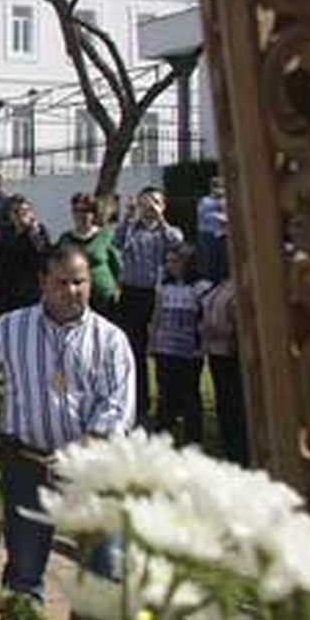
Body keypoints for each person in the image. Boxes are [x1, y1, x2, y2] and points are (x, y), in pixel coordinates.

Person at [0, 243, 135, 601]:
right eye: (62, 282)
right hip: (28, 465)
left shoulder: (110, 340)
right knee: (24, 572)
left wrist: (82, 449)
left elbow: (118, 406)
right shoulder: (11, 327)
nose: (72, 291)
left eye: (80, 282)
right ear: (43, 282)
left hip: (92, 471)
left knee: (105, 573)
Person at [116, 187, 185, 424]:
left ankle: (169, 407)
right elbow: (117, 242)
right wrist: (128, 216)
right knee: (135, 350)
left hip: (158, 295)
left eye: (155, 202)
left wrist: (161, 219)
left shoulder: (169, 231)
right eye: (146, 202)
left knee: (163, 352)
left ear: (163, 206)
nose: (150, 207)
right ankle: (140, 403)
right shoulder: (131, 230)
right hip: (132, 293)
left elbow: (177, 244)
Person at [151, 244, 208, 446]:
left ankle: (193, 439)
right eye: (168, 262)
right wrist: (153, 341)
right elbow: (157, 314)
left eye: (175, 261)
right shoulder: (165, 287)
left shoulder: (200, 288)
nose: (170, 266)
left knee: (190, 395)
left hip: (189, 351)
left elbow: (204, 319)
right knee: (165, 393)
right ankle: (162, 435)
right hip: (165, 348)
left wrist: (202, 346)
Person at [199, 251, 247, 465]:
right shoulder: (220, 285)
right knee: (224, 403)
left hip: (231, 354)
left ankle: (239, 450)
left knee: (235, 404)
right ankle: (228, 445)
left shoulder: (242, 288)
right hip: (215, 352)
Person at [57, 193, 120, 319]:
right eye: (77, 210)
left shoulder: (106, 235)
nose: (81, 215)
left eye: (86, 210)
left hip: (104, 298)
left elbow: (117, 265)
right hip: (75, 298)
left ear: (94, 213)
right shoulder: (65, 239)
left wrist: (117, 290)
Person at [0, 196, 52, 314]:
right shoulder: (5, 231)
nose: (20, 215)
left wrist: (32, 231)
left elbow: (44, 254)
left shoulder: (38, 231)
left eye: (24, 211)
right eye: (16, 212)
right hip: (6, 290)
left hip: (29, 291)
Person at [196, 176, 228, 281]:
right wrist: (222, 218)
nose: (221, 190)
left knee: (223, 261)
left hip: (223, 235)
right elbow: (205, 216)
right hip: (208, 236)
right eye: (218, 187)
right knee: (210, 262)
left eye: (222, 187)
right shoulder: (205, 201)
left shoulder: (226, 200)